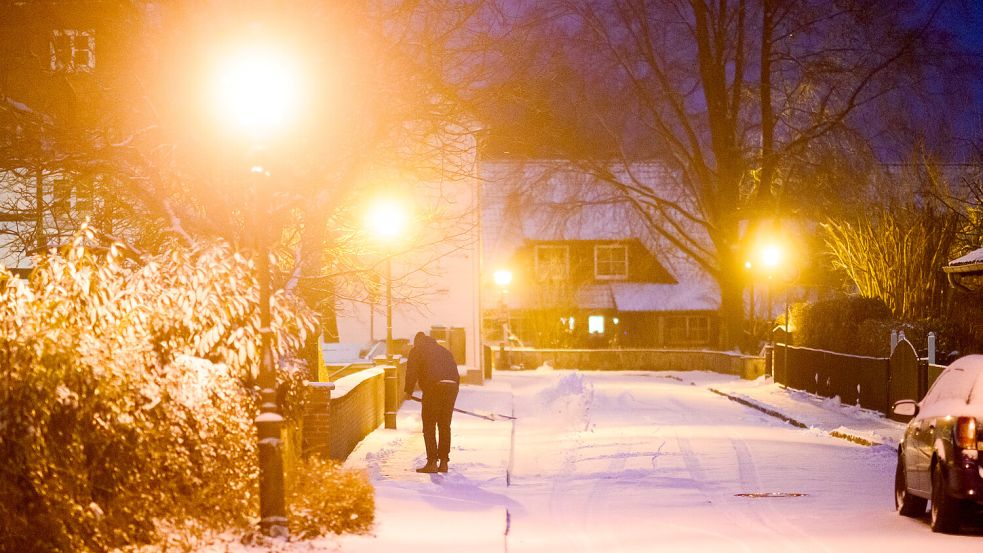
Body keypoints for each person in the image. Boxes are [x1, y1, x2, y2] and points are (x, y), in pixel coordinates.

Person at [404, 331, 460, 473]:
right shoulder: (444, 351)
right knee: (444, 425)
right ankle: (444, 462)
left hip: (434, 387)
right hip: (451, 387)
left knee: (429, 426)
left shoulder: (417, 350)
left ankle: (432, 462)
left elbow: (412, 371)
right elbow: (455, 372)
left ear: (417, 342)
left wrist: (408, 391)